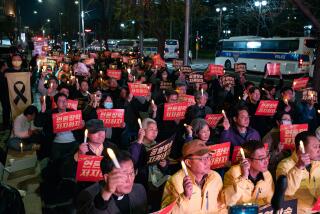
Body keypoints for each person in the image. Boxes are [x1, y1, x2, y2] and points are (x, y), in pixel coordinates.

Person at [161, 139, 226, 213]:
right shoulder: (175, 181)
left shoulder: (215, 177)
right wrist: (185, 197)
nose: (207, 162)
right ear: (188, 162)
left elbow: (221, 206)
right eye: (202, 159)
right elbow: (167, 212)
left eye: (208, 157)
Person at [76, 150, 148, 214]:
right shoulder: (88, 195)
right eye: (122, 175)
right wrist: (107, 193)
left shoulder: (139, 189)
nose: (129, 180)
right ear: (106, 178)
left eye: (132, 173)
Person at [129, 118, 169, 211]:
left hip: (159, 179)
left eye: (156, 130)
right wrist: (139, 140)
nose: (154, 132)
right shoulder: (135, 145)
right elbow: (133, 160)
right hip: (143, 181)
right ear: (143, 130)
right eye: (151, 129)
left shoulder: (159, 145)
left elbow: (166, 164)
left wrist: (164, 164)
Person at [276, 131, 320, 213]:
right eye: (315, 147)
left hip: (315, 210)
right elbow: (285, 191)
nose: (319, 150)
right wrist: (299, 167)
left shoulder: (317, 163)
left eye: (319, 146)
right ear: (301, 148)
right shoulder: (285, 165)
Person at [222, 140, 274, 206]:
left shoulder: (267, 174)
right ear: (248, 161)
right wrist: (244, 177)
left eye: (266, 157)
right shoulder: (233, 173)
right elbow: (228, 202)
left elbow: (270, 202)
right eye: (261, 159)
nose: (266, 161)